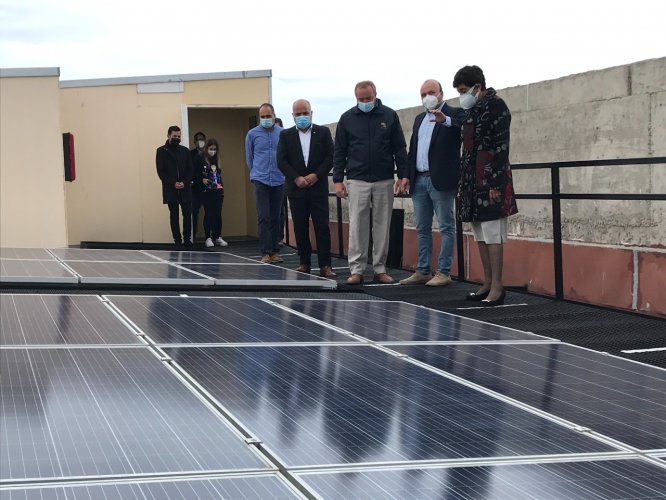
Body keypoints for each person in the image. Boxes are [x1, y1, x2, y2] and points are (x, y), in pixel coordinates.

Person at [453, 65, 518, 306]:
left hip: (491, 179)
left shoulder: (496, 106)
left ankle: (498, 287)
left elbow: (501, 147)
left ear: (477, 87)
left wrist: (495, 182)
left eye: (463, 90)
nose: (462, 96)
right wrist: (463, 182)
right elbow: (467, 147)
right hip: (471, 180)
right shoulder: (472, 111)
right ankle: (487, 282)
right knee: (479, 231)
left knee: (493, 233)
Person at [333, 80, 409, 285]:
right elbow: (339, 150)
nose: (365, 102)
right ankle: (356, 269)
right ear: (356, 97)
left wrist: (403, 174)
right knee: (357, 225)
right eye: (361, 99)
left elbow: (399, 147)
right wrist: (338, 180)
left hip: (384, 178)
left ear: (375, 94)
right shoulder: (347, 118)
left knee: (382, 225)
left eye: (368, 98)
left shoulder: (389, 115)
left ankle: (380, 268)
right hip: (357, 179)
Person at [400, 80, 464, 287]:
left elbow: (461, 130)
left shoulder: (455, 113)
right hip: (419, 180)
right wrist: (407, 176)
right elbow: (413, 150)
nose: (427, 97)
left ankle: (443, 272)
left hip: (441, 180)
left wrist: (444, 120)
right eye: (423, 94)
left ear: (441, 93)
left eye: (431, 92)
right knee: (422, 227)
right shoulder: (419, 119)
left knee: (446, 226)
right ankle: (423, 270)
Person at [277, 99, 336, 278]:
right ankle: (304, 263)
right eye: (298, 114)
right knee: (300, 227)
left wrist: (316, 175)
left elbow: (331, 156)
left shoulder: (323, 132)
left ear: (311, 113)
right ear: (293, 116)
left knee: (322, 227)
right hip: (296, 190)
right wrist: (296, 178)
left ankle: (325, 265)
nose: (302, 116)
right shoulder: (285, 135)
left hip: (318, 188)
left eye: (305, 113)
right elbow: (281, 160)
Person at [245, 103, 285, 263]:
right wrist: (256, 172)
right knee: (264, 216)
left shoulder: (283, 134)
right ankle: (265, 252)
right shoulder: (252, 134)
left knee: (276, 216)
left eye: (268, 116)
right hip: (260, 179)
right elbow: (250, 157)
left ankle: (275, 251)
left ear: (274, 116)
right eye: (263, 117)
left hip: (279, 179)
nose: (266, 119)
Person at [156, 125, 194, 247]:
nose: (177, 138)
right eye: (174, 136)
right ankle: (177, 241)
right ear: (168, 135)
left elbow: (190, 169)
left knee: (187, 215)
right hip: (170, 189)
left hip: (185, 188)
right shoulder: (161, 151)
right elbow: (161, 171)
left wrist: (185, 182)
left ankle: (187, 239)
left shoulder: (185, 151)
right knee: (174, 215)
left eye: (179, 136)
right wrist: (173, 183)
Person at [193, 138, 228, 248]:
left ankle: (217, 236)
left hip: (217, 190)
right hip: (205, 191)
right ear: (206, 148)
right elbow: (193, 173)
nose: (212, 151)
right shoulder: (199, 158)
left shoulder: (217, 159)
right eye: (210, 149)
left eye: (214, 149)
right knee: (209, 214)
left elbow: (217, 174)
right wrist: (201, 180)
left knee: (217, 214)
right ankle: (208, 237)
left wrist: (220, 188)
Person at [190, 131, 207, 241]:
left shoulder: (209, 153)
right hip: (195, 189)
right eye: (198, 140)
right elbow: (191, 171)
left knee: (210, 214)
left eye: (202, 139)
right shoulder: (190, 154)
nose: (200, 142)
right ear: (194, 142)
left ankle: (209, 237)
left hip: (208, 189)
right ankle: (192, 237)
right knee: (194, 213)